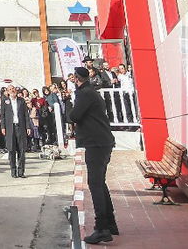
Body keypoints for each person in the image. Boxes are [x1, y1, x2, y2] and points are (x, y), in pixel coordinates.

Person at [70, 66, 117, 244]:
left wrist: (70, 113)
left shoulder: (85, 93)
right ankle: (110, 224)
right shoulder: (91, 91)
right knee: (100, 183)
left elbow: (74, 115)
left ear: (76, 78)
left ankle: (102, 228)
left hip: (96, 143)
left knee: (95, 184)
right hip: (102, 142)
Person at [0, 83, 28, 178]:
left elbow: (26, 115)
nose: (12, 90)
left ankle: (21, 172)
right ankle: (13, 171)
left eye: (13, 89)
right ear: (7, 91)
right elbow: (2, 116)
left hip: (20, 127)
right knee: (11, 150)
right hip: (10, 128)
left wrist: (28, 127)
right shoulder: (5, 101)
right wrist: (3, 127)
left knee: (22, 150)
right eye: (10, 89)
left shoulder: (21, 101)